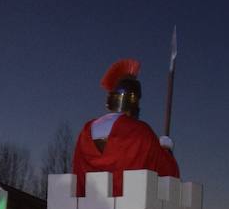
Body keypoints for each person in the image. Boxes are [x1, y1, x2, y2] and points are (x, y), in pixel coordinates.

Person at [71, 58, 178, 196]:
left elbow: (77, 173)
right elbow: (168, 173)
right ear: (135, 101)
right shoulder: (140, 132)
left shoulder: (87, 130)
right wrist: (166, 150)